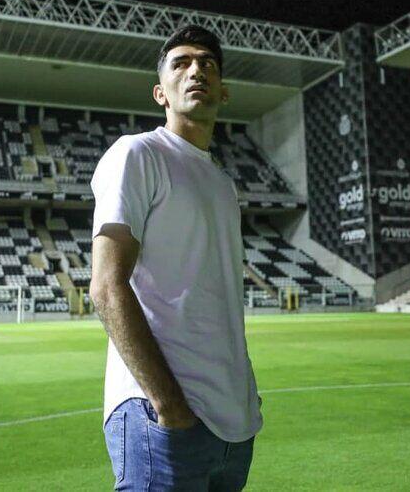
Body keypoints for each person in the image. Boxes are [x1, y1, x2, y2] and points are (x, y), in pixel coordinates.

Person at [89, 24, 263, 491]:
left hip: (233, 422)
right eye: (180, 63)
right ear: (160, 92)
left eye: (207, 64)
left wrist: (245, 392)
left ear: (223, 92)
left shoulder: (222, 183)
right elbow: (106, 285)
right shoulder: (138, 154)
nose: (196, 70)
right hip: (162, 417)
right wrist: (167, 404)